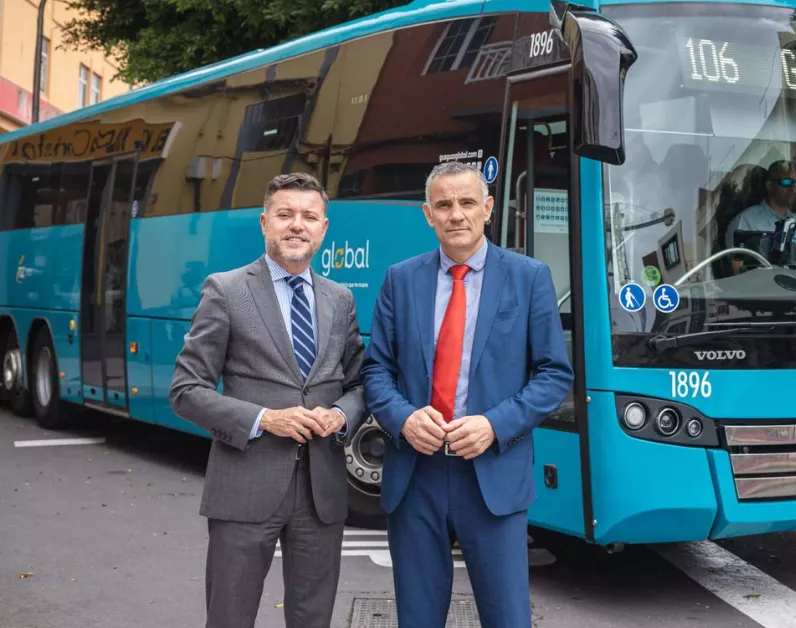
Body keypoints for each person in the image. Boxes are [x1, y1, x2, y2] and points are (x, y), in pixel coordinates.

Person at [361, 160, 573, 627]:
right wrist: (403, 418)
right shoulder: (401, 279)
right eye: (444, 205)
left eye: (466, 203)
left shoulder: (529, 277)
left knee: (507, 617)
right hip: (416, 475)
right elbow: (376, 369)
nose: (456, 214)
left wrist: (494, 425)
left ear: (488, 209)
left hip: (492, 473)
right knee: (417, 617)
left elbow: (554, 375)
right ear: (427, 214)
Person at [169, 172, 367, 628]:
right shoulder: (226, 290)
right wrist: (264, 419)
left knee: (312, 619)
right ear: (264, 223)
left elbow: (361, 384)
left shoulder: (340, 300)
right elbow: (186, 390)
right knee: (229, 618)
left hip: (322, 494)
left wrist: (340, 415)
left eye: (308, 216)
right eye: (285, 214)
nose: (296, 224)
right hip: (244, 488)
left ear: (323, 228)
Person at [724, 160, 796, 273]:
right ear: (770, 186)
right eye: (786, 182)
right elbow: (738, 272)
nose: (792, 188)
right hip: (761, 289)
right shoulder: (746, 221)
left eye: (794, 183)